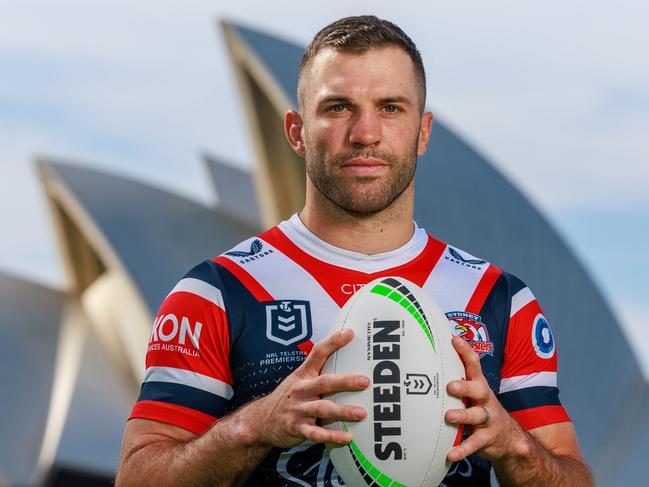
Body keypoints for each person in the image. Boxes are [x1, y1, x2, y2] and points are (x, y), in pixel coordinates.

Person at [116, 15, 593, 487]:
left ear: (423, 131)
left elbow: (570, 474)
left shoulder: (499, 298)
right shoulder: (217, 292)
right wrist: (253, 427)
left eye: (390, 108)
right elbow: (136, 477)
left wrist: (513, 444)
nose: (366, 133)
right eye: (339, 107)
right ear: (297, 130)